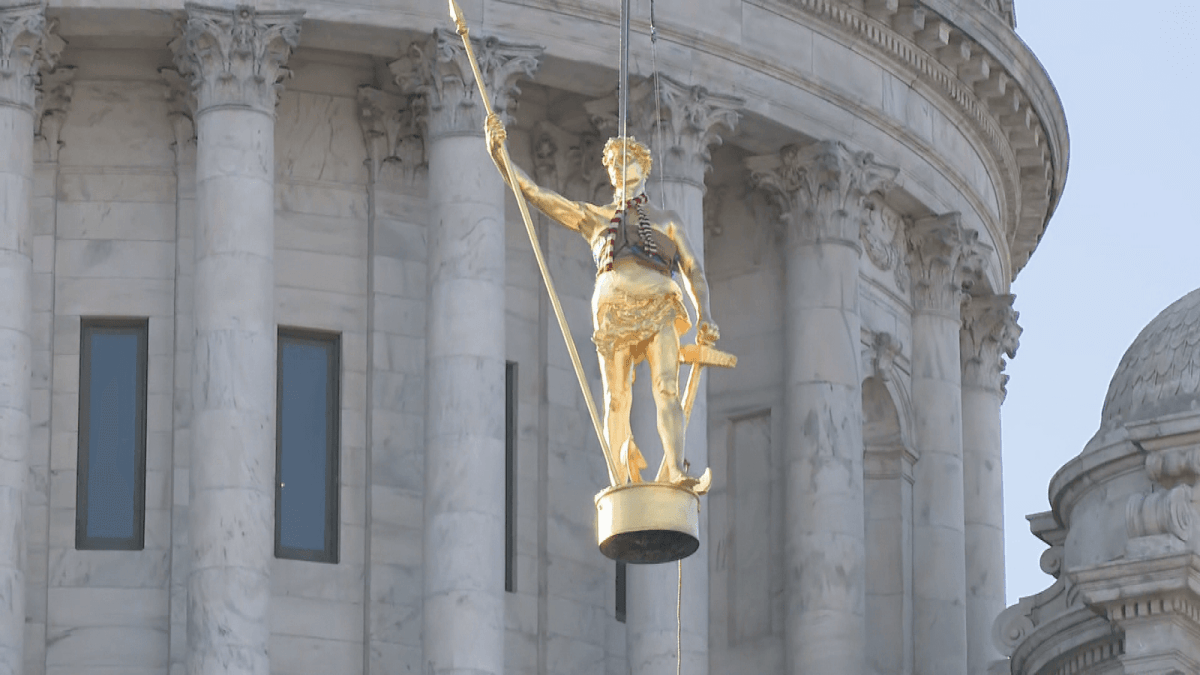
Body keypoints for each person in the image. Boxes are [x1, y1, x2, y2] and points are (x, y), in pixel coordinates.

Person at [485, 113, 717, 490]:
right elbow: (540, 196)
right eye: (610, 164)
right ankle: (619, 478)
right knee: (615, 397)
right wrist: (501, 158)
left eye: (624, 160)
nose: (615, 169)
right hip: (612, 308)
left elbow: (694, 270)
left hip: (659, 302)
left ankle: (675, 469)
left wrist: (705, 314)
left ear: (643, 166)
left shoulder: (668, 221)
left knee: (666, 386)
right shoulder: (597, 217)